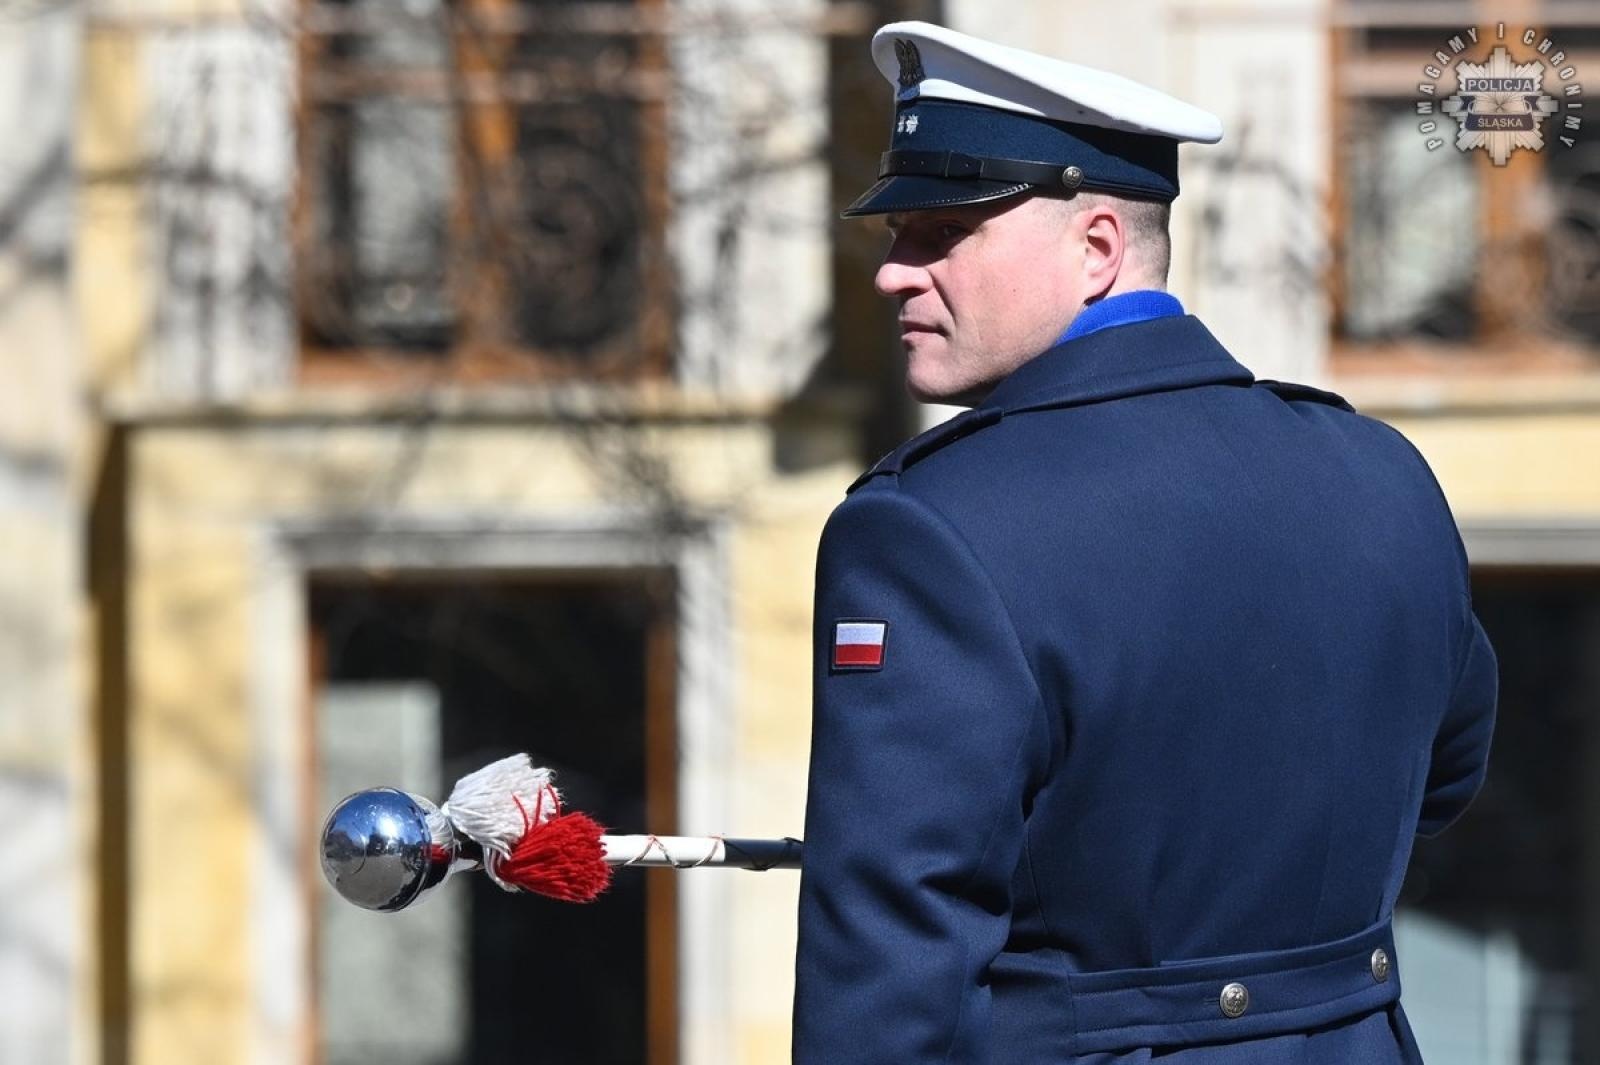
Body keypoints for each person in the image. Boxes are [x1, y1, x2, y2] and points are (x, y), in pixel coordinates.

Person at [792, 20, 1497, 1064]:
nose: (895, 271)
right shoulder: (1377, 468)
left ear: (1096, 250)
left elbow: (895, 952)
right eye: (897, 236)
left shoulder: (926, 527)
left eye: (942, 231)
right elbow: (1444, 779)